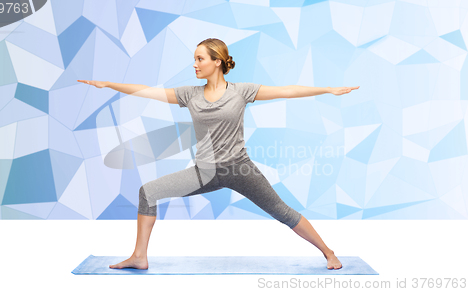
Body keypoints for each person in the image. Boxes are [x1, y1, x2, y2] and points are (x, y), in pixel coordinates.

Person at [78, 38, 359, 271]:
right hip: (204, 173)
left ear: (218, 62)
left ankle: (328, 252)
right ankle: (139, 257)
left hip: (240, 170)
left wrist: (327, 89)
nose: (195, 64)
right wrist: (109, 84)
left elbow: (286, 91)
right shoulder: (189, 94)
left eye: (200, 59)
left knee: (282, 212)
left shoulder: (241, 92)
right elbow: (148, 92)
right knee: (148, 192)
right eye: (195, 59)